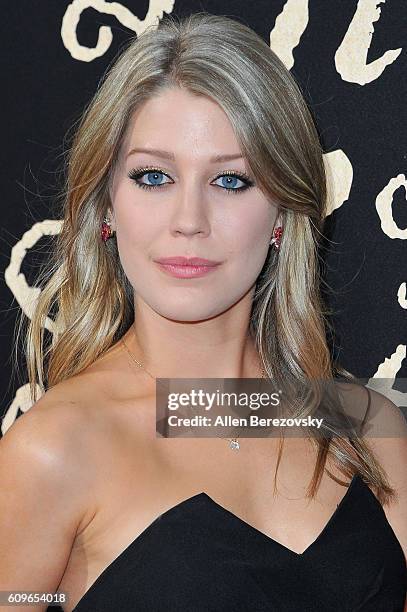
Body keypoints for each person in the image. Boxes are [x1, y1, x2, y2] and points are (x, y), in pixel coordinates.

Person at [1, 11, 406, 612]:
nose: (189, 220)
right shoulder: (57, 450)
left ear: (282, 213)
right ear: (106, 204)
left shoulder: (368, 427)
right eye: (154, 176)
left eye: (231, 182)